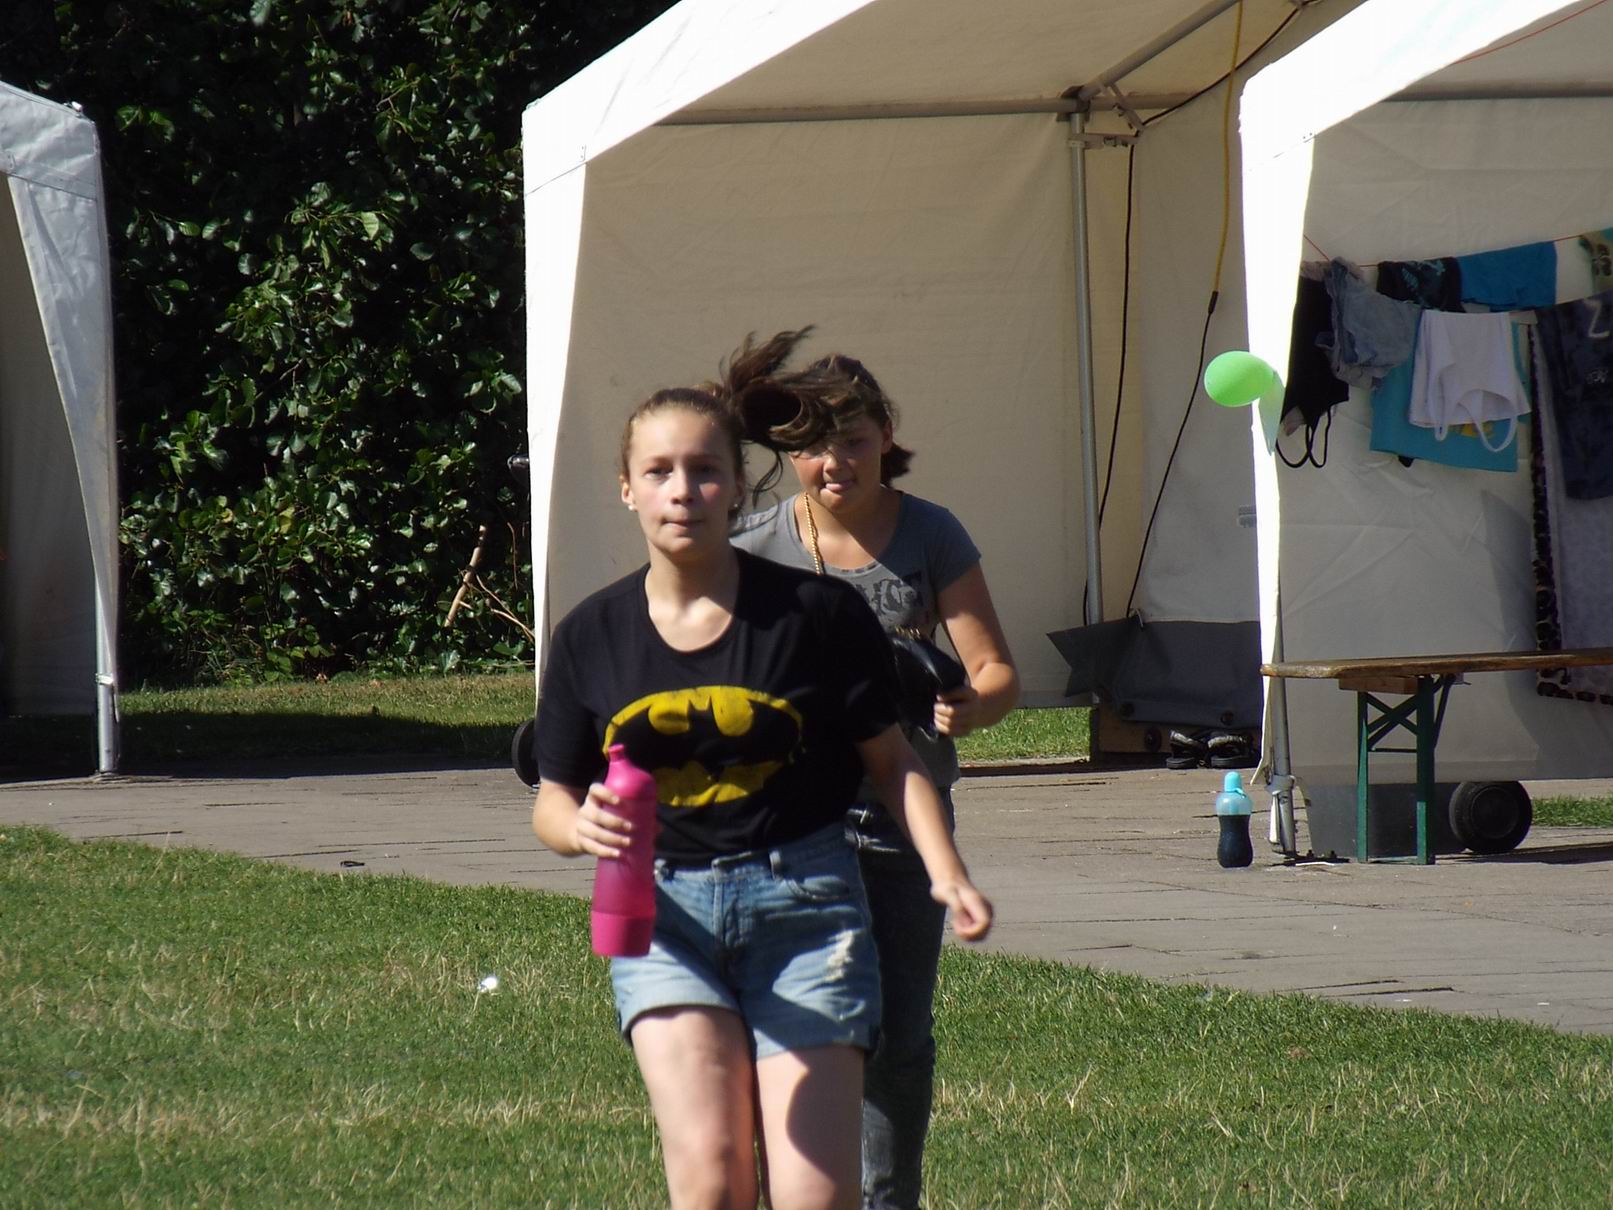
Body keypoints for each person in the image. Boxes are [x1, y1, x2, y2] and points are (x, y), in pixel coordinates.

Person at [530, 331, 994, 1210]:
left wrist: (946, 873)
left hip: (806, 909)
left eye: (705, 471)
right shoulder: (590, 635)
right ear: (626, 488)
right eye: (659, 472)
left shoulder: (815, 614)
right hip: (661, 917)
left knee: (814, 1193)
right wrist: (576, 826)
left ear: (739, 487)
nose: (683, 490)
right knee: (711, 1179)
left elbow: (893, 761)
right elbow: (552, 798)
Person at [734, 351, 1020, 1210]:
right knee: (787, 1027)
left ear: (886, 436)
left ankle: (887, 1199)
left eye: (853, 441)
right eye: (812, 447)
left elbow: (996, 670)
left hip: (903, 822)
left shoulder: (930, 533)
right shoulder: (750, 546)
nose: (835, 464)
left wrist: (972, 706)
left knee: (896, 1036)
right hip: (789, 826)